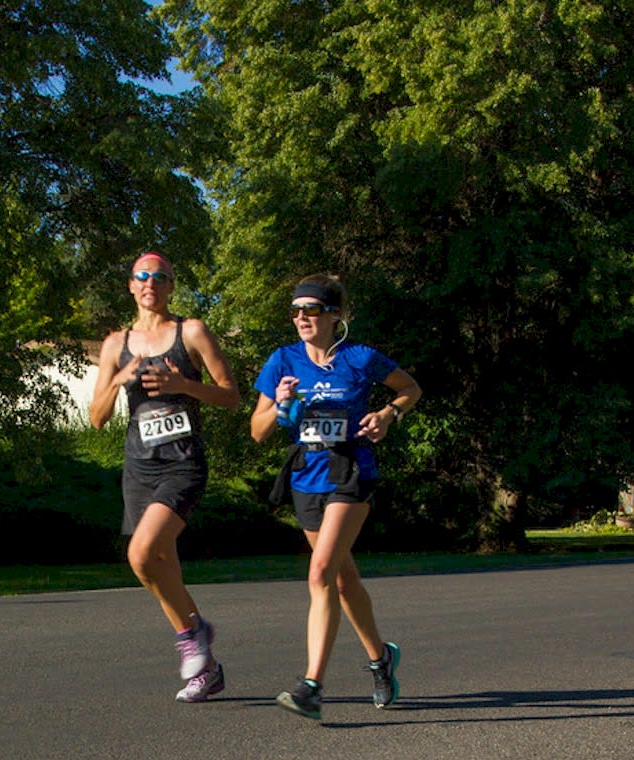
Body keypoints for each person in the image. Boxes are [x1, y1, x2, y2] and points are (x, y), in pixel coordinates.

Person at [249, 273, 421, 722]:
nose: (302, 318)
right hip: (307, 480)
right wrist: (279, 402)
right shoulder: (282, 361)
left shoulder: (359, 359)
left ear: (334, 315)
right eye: (295, 311)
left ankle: (311, 687)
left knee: (320, 572)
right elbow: (258, 430)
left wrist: (387, 414)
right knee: (343, 582)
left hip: (352, 474)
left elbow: (411, 388)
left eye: (312, 309)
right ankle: (381, 659)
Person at [88, 252, 241, 703]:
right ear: (130, 286)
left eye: (159, 276)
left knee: (140, 555)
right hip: (140, 468)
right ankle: (205, 667)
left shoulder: (190, 332)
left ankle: (193, 633)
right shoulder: (116, 344)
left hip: (182, 463)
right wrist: (119, 378)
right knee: (159, 567)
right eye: (141, 275)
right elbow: (97, 418)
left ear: (171, 286)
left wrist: (183, 386)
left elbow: (231, 397)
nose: (149, 282)